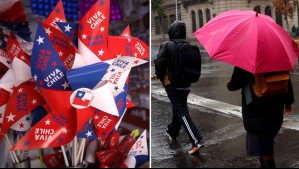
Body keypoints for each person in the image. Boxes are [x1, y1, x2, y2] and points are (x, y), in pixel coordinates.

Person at [227, 67, 294, 168]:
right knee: (266, 144)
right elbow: (286, 81)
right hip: (275, 107)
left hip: (256, 109)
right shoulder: (278, 59)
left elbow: (234, 85)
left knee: (265, 151)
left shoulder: (247, 60)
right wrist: (288, 102)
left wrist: (229, 83)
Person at [155, 21, 203, 155]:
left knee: (181, 111)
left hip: (173, 84)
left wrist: (159, 76)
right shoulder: (189, 46)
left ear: (171, 32)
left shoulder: (167, 45)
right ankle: (172, 131)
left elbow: (159, 62)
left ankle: (196, 140)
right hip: (186, 84)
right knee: (178, 107)